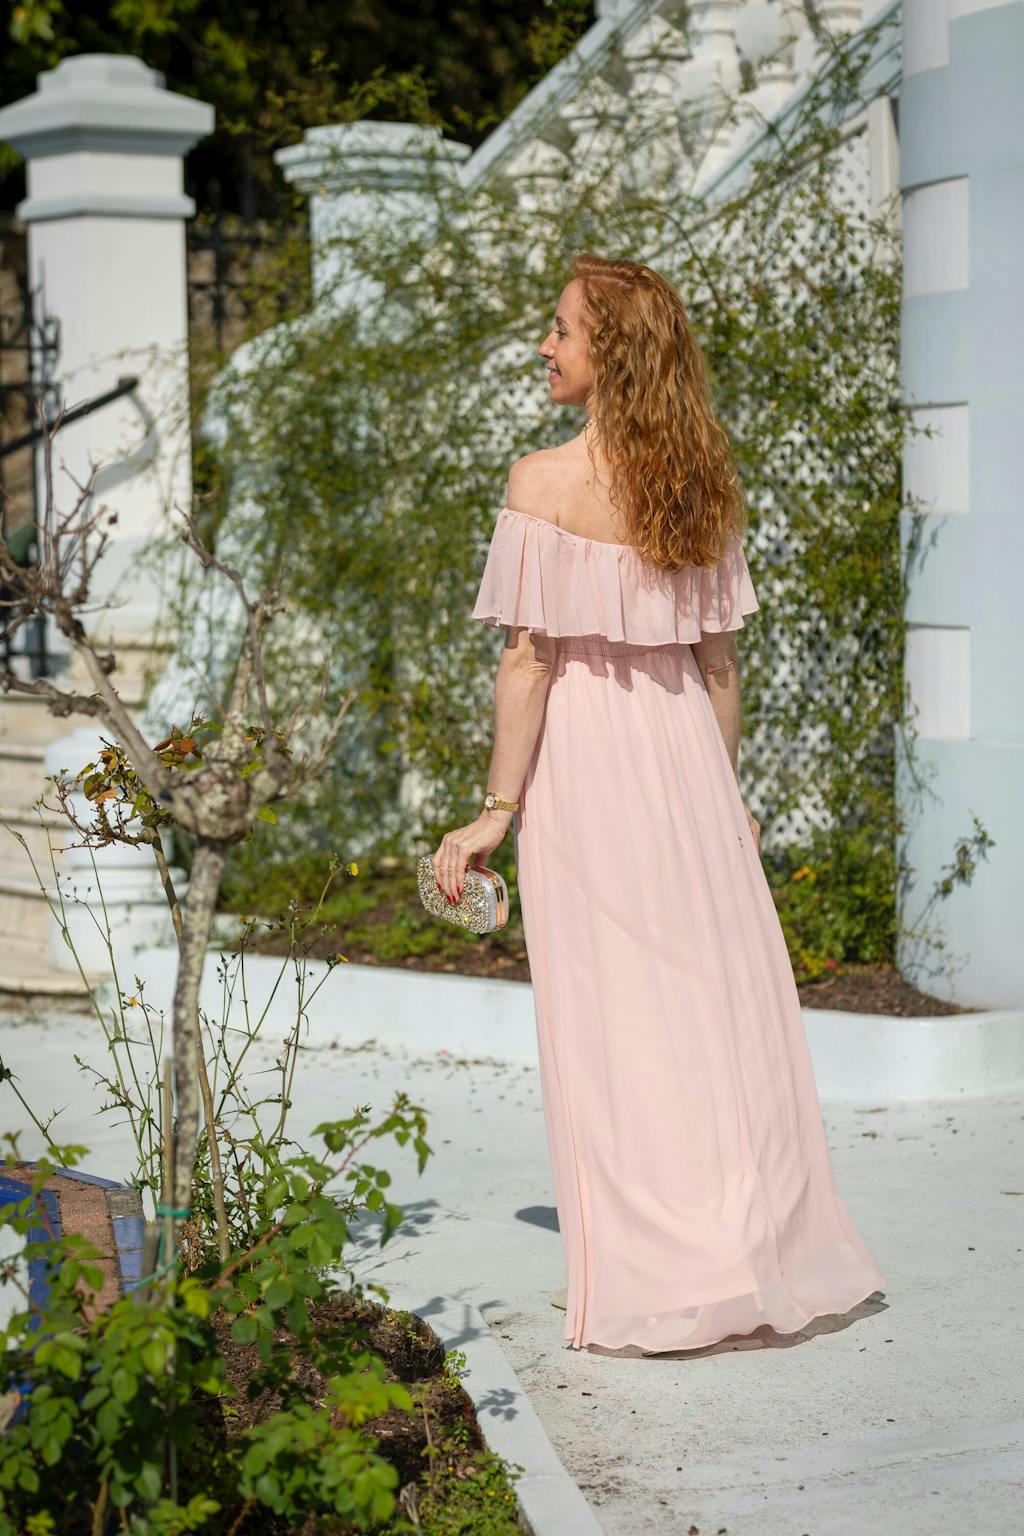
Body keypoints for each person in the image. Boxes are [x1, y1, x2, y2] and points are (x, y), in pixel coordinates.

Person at [431, 252, 885, 1356]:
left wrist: (495, 809)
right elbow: (719, 670)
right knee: (712, 1007)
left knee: (613, 1014)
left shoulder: (541, 483)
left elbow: (530, 663)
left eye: (562, 330)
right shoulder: (702, 484)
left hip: (587, 766)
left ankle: (657, 1266)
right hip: (685, 758)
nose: (545, 346)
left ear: (614, 354)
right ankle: (749, 1245)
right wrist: (723, 799)